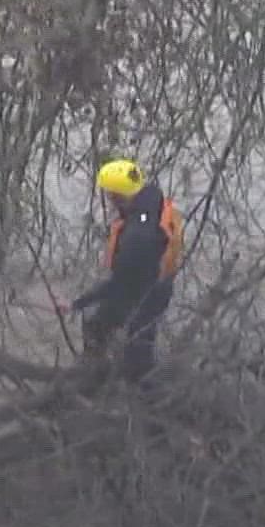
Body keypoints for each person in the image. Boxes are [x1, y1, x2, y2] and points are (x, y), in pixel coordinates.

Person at [61, 158, 183, 384]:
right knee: (107, 326)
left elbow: (117, 284)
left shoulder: (137, 236)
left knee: (135, 352)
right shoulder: (151, 196)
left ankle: (136, 397)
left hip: (146, 290)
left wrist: (77, 303)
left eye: (109, 194)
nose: (108, 199)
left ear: (117, 196)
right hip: (157, 280)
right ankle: (108, 371)